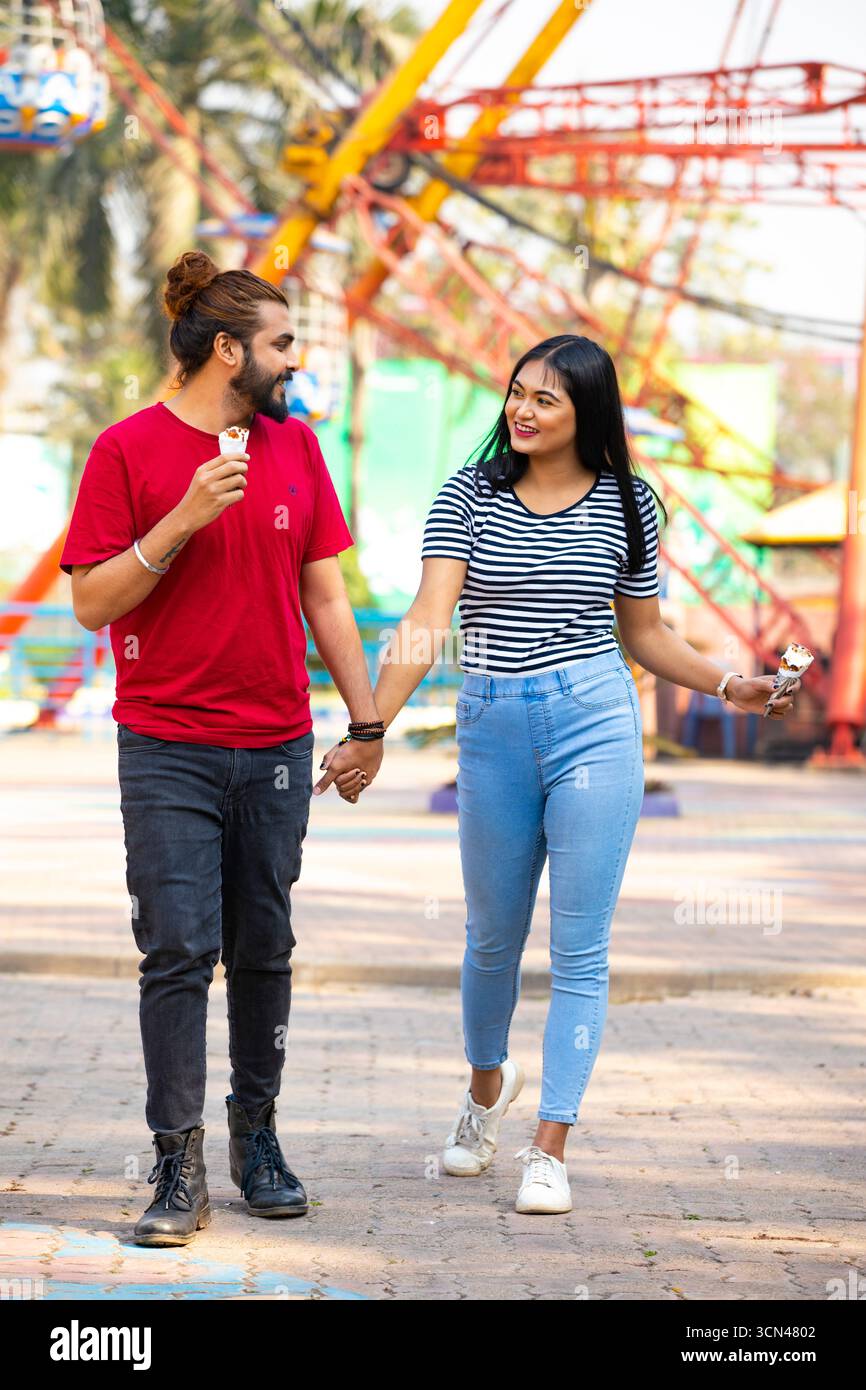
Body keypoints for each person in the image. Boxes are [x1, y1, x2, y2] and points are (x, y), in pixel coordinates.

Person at [325, 333, 801, 1215]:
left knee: (580, 948)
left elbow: (646, 635)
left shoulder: (629, 501)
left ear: (587, 409)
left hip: (595, 722)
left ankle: (552, 1144)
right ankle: (482, 1096)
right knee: (490, 939)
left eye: (545, 397)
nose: (523, 409)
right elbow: (431, 621)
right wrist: (369, 729)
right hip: (494, 721)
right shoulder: (468, 492)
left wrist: (733, 683)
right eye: (516, 393)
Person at [60, 250, 383, 1246]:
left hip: (279, 747)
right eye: (283, 342)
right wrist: (180, 520)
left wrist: (364, 722)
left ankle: (259, 1141)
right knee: (175, 950)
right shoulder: (127, 450)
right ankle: (177, 1164)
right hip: (166, 747)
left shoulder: (296, 448)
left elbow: (324, 593)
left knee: (265, 950)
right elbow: (89, 601)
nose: (296, 358)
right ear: (229, 349)